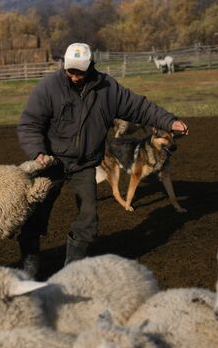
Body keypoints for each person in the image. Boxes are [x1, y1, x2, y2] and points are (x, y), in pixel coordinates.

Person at [16, 42, 188, 276]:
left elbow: (139, 107)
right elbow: (30, 124)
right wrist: (38, 152)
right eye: (70, 70)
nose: (75, 76)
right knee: (35, 212)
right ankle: (29, 267)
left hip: (85, 163)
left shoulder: (107, 89)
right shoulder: (49, 87)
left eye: (80, 71)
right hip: (51, 160)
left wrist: (169, 121)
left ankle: (71, 272)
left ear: (91, 66)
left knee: (88, 220)